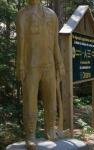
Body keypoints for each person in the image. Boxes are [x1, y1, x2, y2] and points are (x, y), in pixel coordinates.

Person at [16, 0, 65, 149]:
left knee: (51, 98)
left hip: (49, 64)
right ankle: (30, 134)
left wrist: (60, 64)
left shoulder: (52, 15)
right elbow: (21, 42)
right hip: (31, 65)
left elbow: (55, 43)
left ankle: (50, 130)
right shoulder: (23, 14)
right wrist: (20, 66)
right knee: (30, 100)